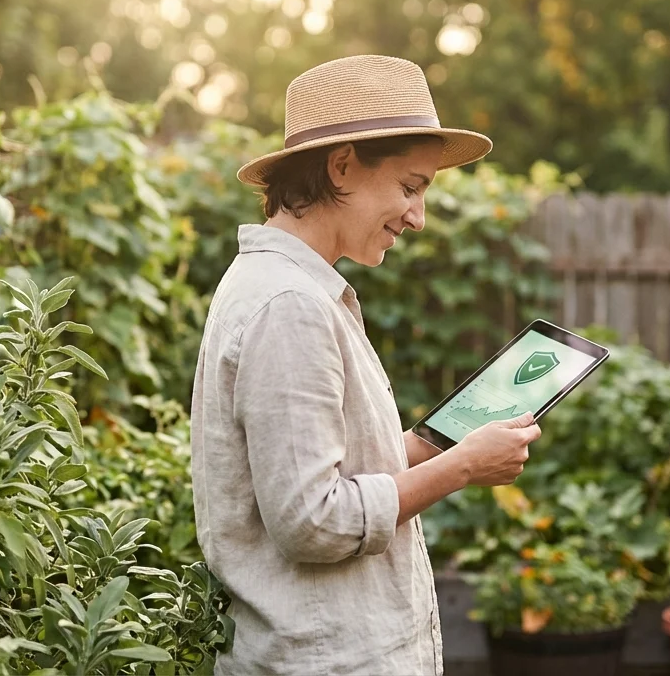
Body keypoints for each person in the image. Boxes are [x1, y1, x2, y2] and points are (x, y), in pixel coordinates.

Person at [190, 54, 542, 675]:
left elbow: (328, 469)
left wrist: (430, 445)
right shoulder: (290, 305)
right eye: (410, 187)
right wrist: (462, 467)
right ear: (342, 165)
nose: (418, 217)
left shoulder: (293, 288)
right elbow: (312, 521)